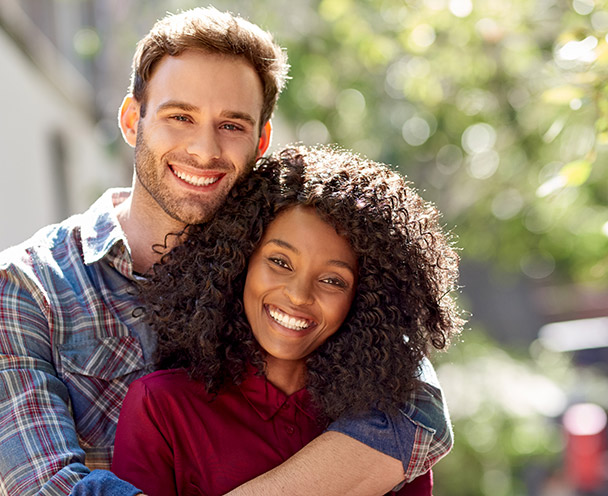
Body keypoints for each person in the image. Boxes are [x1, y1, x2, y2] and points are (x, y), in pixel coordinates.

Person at [0, 7, 453, 496]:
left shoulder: (279, 266)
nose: (204, 149)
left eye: (232, 125)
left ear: (260, 140)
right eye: (180, 116)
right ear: (133, 120)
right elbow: (47, 486)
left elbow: (415, 409)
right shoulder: (26, 287)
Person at [111, 145, 464, 496]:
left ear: (365, 299)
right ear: (240, 259)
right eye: (280, 261)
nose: (299, 295)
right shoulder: (160, 407)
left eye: (332, 281)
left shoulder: (387, 432)